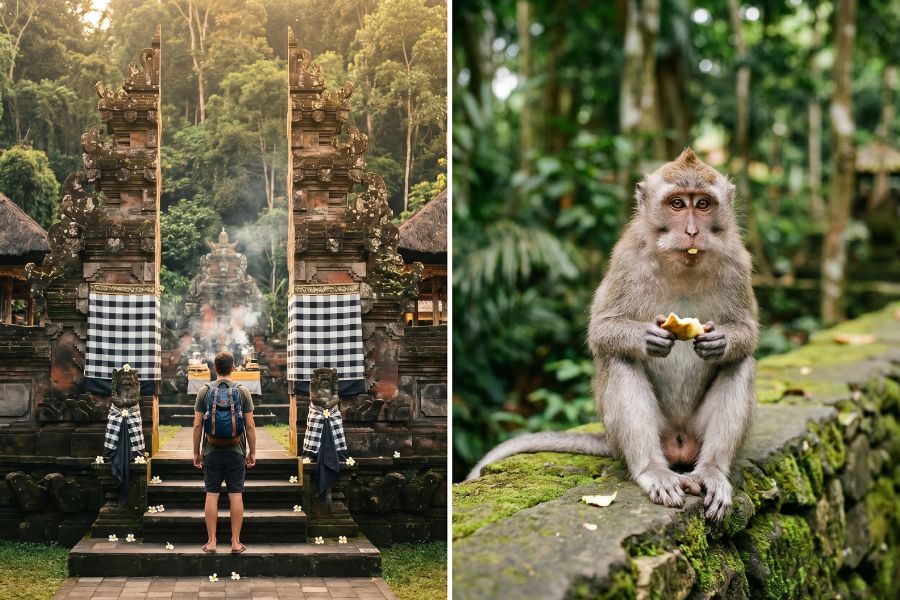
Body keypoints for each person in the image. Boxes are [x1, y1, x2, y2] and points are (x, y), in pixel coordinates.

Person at [192, 351, 256, 554]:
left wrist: (196, 452)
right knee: (236, 494)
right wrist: (252, 452)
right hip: (236, 450)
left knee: (212, 494)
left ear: (214, 369)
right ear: (234, 368)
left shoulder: (204, 391)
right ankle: (235, 543)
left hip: (211, 450)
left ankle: (211, 542)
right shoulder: (242, 391)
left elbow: (197, 425)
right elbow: (251, 425)